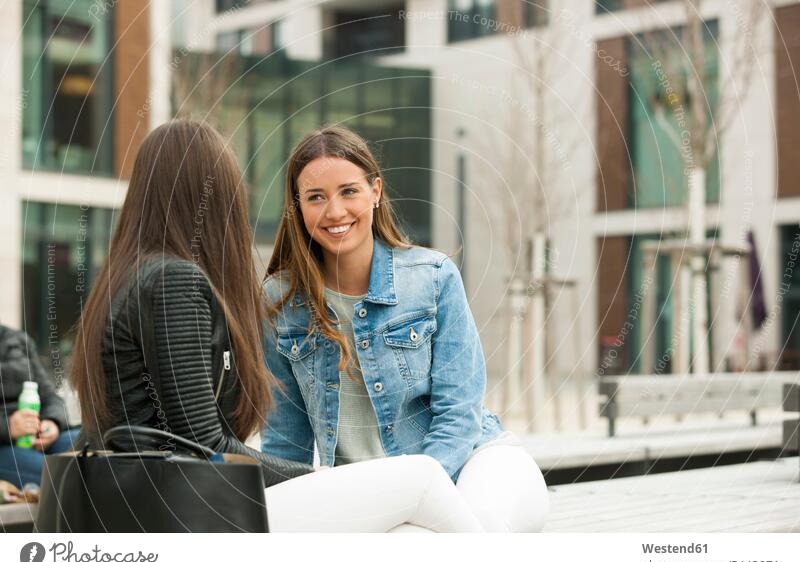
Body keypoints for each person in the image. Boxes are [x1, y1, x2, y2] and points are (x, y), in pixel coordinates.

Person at [69, 119, 483, 533]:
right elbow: (204, 445)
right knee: (421, 480)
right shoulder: (173, 281)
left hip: (160, 502)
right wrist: (319, 479)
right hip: (180, 508)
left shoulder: (128, 276)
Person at [261, 125, 549, 532]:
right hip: (376, 494)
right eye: (315, 197)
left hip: (475, 462)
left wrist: (418, 502)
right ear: (297, 207)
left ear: (375, 191)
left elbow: (459, 414)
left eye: (348, 191)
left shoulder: (432, 279)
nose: (335, 212)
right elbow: (285, 442)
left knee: (472, 528)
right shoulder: (280, 302)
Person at [0, 324, 78, 488]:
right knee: (59, 473)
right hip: (5, 446)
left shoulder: (18, 340)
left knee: (93, 442)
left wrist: (52, 422)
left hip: (38, 437)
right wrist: (8, 426)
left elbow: (50, 397)